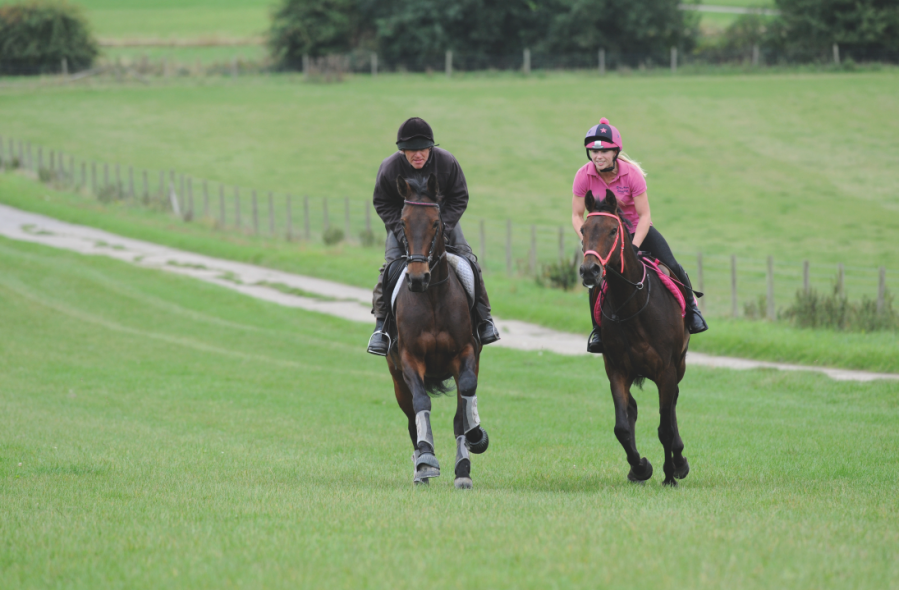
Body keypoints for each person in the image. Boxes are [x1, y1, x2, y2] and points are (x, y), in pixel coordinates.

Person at [572, 117, 708, 354]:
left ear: (616, 152)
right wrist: (587, 240)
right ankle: (598, 331)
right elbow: (576, 214)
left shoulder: (631, 174)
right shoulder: (583, 175)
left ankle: (693, 312)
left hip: (637, 232)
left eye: (604, 151)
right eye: (593, 151)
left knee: (673, 264)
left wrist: (633, 246)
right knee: (593, 277)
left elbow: (644, 216)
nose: (598, 156)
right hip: (603, 237)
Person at [367, 117, 500, 355]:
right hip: (405, 227)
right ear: (402, 151)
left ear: (431, 148)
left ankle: (483, 319)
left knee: (469, 262)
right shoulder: (389, 168)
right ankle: (381, 328)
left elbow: (460, 196)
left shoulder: (447, 162)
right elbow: (381, 202)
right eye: (411, 150)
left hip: (442, 223)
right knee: (389, 269)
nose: (418, 155)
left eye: (423, 149)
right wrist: (400, 230)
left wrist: (442, 229)